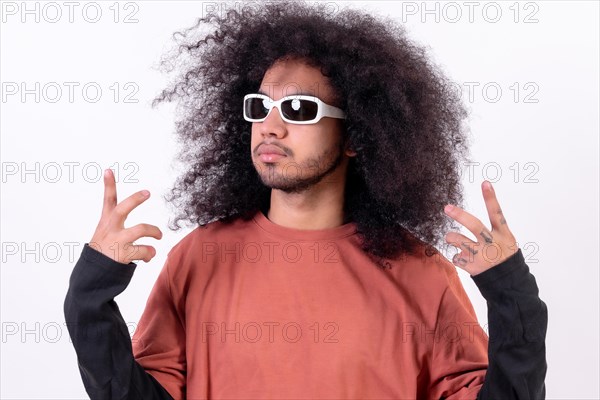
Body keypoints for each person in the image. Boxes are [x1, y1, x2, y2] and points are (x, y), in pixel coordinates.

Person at [64, 1, 547, 399]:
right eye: (260, 107)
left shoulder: (419, 270)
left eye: (298, 108)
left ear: (355, 134)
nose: (270, 126)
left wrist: (510, 291)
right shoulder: (198, 258)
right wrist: (91, 292)